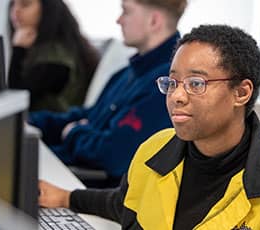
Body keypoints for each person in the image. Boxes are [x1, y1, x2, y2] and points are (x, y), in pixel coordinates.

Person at [38, 24, 260, 229]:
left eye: (196, 83)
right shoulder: (153, 151)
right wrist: (67, 198)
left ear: (242, 92)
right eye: (172, 82)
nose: (177, 96)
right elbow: (124, 204)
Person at [30, 0, 187, 187]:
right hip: (72, 170)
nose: (118, 20)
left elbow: (114, 155)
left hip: (93, 191)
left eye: (126, 12)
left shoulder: (165, 84)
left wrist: (74, 132)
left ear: (154, 21)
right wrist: (29, 121)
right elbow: (89, 116)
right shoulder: (127, 73)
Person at [8, 0, 99, 112]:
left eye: (25, 4)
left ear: (47, 9)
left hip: (50, 126)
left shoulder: (56, 59)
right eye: (13, 4)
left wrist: (18, 51)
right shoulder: (47, 48)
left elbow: (16, 101)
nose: (16, 11)